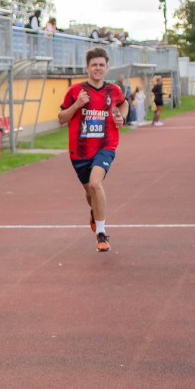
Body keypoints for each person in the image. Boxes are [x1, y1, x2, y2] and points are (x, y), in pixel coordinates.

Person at [57, 48, 128, 253]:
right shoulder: (75, 91)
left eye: (101, 65)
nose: (98, 68)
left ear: (107, 67)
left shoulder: (114, 90)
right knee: (90, 191)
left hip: (105, 145)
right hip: (79, 150)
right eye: (94, 65)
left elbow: (123, 105)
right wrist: (77, 105)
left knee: (96, 184)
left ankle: (101, 233)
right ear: (87, 68)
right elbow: (61, 118)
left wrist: (121, 118)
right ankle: (95, 212)